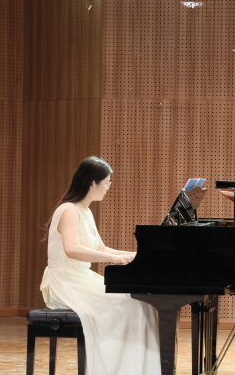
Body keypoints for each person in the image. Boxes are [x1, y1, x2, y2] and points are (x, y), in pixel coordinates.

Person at [40, 156, 161, 375]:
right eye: (106, 182)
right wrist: (114, 259)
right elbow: (72, 249)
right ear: (92, 184)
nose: (108, 186)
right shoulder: (68, 210)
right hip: (65, 282)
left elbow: (102, 248)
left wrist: (134, 255)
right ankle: (116, 368)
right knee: (131, 304)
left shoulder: (85, 211)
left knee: (142, 303)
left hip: (80, 278)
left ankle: (135, 368)